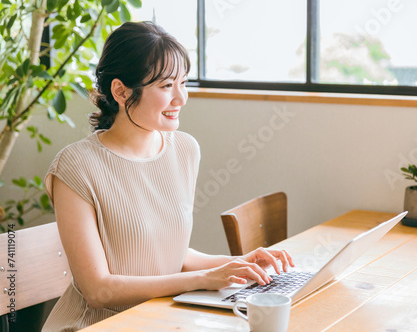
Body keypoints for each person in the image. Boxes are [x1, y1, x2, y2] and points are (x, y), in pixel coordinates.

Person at [42, 21, 293, 331]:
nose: (181, 98)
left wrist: (239, 264)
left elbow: (165, 254)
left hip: (161, 319)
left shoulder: (185, 149)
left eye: (183, 83)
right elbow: (98, 290)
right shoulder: (75, 167)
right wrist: (204, 279)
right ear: (120, 91)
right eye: (165, 86)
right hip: (97, 325)